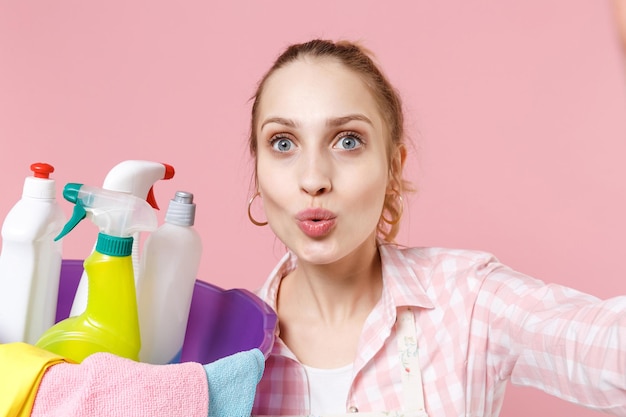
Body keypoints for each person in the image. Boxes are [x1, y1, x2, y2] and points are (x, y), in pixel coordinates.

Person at [17, 38, 626, 417]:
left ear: (394, 166)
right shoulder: (216, 354)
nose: (313, 177)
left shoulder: (469, 300)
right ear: (256, 175)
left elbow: (608, 352)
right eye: (282, 143)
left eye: (348, 141)